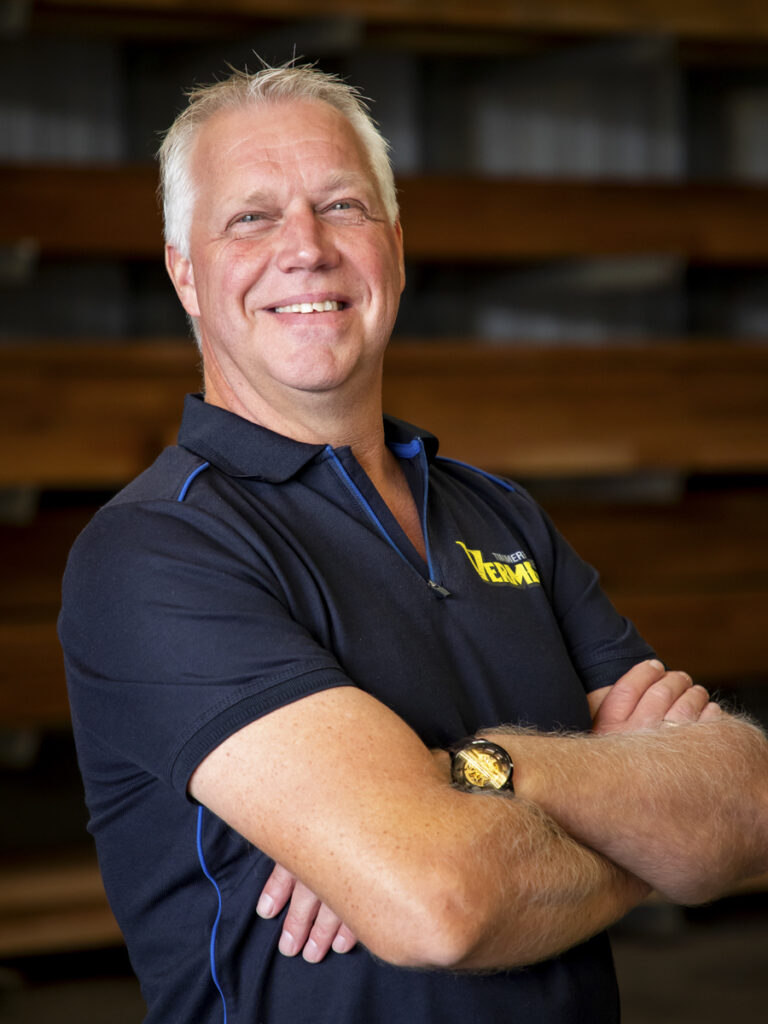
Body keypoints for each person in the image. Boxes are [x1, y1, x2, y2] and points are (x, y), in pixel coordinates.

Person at [58, 62, 768, 1024]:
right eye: (252, 218)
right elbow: (442, 905)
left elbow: (746, 807)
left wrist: (474, 772)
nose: (306, 249)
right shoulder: (158, 549)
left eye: (341, 206)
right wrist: (644, 831)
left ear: (393, 246)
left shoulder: (502, 515)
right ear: (185, 270)